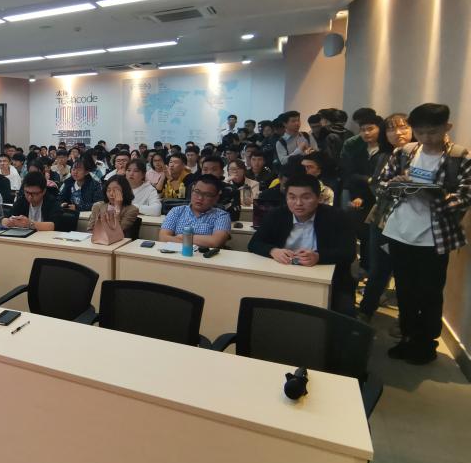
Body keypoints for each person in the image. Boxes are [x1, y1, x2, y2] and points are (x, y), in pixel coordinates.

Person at [370, 103, 471, 364]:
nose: (426, 137)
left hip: (433, 237)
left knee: (429, 293)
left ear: (447, 127)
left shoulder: (459, 157)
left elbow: (465, 196)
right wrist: (393, 185)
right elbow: (380, 184)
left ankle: (426, 343)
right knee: (405, 290)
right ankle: (407, 337)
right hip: (399, 232)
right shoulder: (404, 152)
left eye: (433, 132)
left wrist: (434, 196)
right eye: (421, 132)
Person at [248, 173, 357, 315]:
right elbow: (254, 243)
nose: (298, 203)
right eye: (292, 197)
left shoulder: (337, 217)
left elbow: (349, 253)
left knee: (344, 312)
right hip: (284, 274)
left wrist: (319, 256)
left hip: (328, 279)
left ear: (319, 198)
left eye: (306, 197)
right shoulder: (277, 215)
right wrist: (273, 251)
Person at [359, 113, 411, 323]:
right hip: (383, 219)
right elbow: (376, 186)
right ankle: (366, 310)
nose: (398, 133)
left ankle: (405, 320)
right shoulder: (384, 156)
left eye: (403, 127)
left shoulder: (423, 155)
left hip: (412, 224)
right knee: (379, 267)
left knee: (407, 273)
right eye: (391, 129)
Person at [158, 175, 231, 249]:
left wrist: (183, 237)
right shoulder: (176, 211)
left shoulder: (221, 216)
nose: (200, 198)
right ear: (192, 191)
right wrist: (201, 241)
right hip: (176, 254)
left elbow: (215, 242)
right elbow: (163, 238)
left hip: (205, 255)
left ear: (216, 198)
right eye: (197, 192)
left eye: (207, 195)